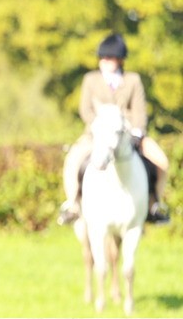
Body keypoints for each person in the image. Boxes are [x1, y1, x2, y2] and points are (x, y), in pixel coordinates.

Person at [58, 33, 171, 225]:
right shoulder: (90, 80)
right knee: (72, 161)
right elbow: (85, 109)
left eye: (109, 58)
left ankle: (155, 204)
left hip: (127, 134)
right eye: (103, 58)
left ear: (120, 60)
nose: (105, 61)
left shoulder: (133, 80)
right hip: (96, 133)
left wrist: (137, 131)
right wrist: (98, 126)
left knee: (162, 162)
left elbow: (139, 111)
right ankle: (73, 205)